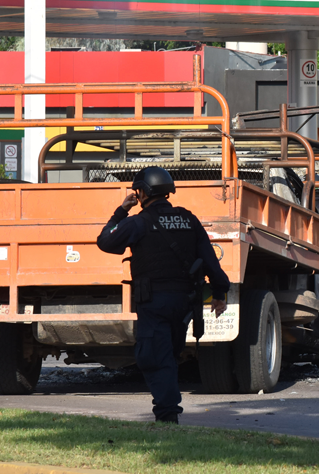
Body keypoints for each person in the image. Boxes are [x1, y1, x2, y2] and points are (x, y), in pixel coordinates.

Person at [97, 166, 230, 423]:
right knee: (169, 354)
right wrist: (219, 292)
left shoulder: (138, 222)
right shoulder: (188, 219)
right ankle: (168, 411)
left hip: (154, 302)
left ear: (143, 192)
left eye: (138, 191)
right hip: (184, 303)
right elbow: (210, 259)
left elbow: (105, 241)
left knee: (155, 357)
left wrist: (121, 211)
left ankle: (168, 416)